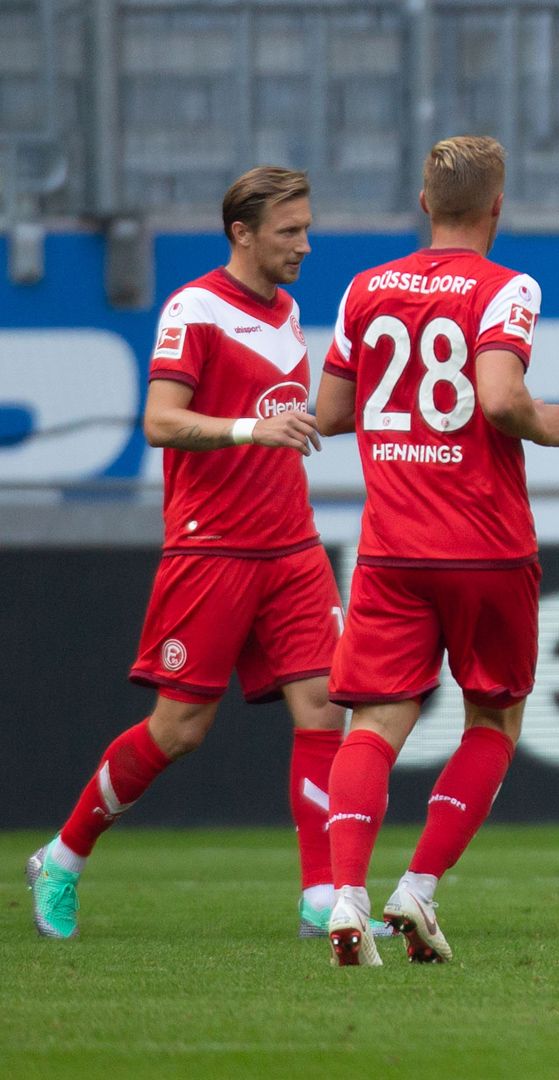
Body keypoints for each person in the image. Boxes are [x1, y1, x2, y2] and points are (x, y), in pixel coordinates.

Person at [24, 168, 347, 941]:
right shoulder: (193, 309)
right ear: (242, 234)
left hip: (292, 544)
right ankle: (62, 858)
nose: (305, 244)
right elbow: (160, 421)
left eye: (306, 227)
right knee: (180, 729)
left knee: (326, 706)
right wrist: (249, 429)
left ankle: (320, 896)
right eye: (289, 231)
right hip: (213, 549)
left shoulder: (288, 309)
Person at [315, 135, 559, 966]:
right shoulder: (507, 287)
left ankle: (346, 897)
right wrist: (545, 422)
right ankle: (417, 889)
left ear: (424, 203)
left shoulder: (365, 288)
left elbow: (331, 411)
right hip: (486, 545)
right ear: (498, 205)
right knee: (493, 720)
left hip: (393, 548)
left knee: (373, 724)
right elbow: (499, 397)